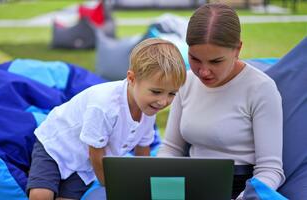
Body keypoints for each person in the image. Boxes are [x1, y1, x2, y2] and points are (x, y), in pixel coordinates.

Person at [26, 38, 187, 200]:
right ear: (132, 79)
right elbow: (96, 152)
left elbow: (142, 150)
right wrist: (109, 187)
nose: (163, 102)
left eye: (172, 93)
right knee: (41, 195)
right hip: (57, 148)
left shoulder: (148, 110)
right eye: (156, 92)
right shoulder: (104, 105)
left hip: (85, 166)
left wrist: (142, 185)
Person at [157, 3, 285, 200]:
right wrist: (160, 182)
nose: (204, 71)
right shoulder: (187, 81)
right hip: (189, 183)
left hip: (239, 189)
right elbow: (171, 149)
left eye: (216, 61)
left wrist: (246, 198)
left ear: (237, 49)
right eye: (195, 59)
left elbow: (270, 169)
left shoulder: (260, 89)